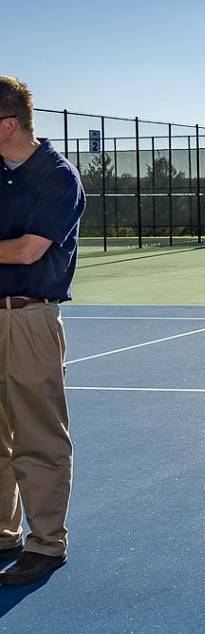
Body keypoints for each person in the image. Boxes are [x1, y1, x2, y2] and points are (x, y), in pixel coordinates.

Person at [0, 76, 84, 585]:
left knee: (38, 436)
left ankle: (47, 543)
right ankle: (3, 534)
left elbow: (30, 249)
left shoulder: (57, 176)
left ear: (8, 125)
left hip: (30, 320)